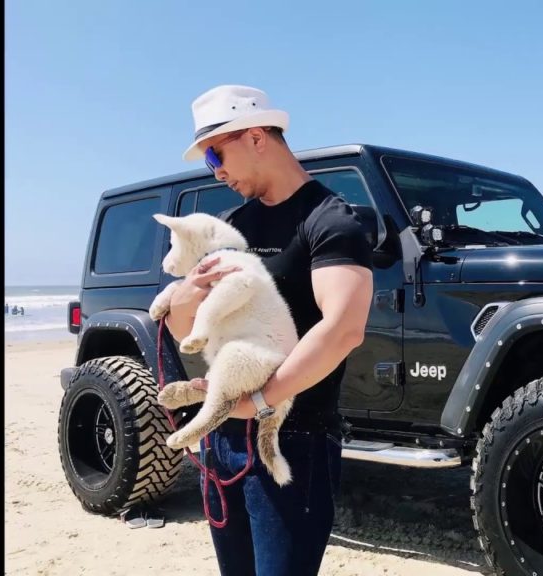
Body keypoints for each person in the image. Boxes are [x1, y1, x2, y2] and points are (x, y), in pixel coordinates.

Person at [163, 84, 374, 576]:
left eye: (215, 154)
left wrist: (259, 401)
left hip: (291, 438)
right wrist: (186, 295)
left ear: (256, 137)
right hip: (221, 440)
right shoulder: (231, 224)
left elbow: (343, 329)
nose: (216, 171)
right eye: (208, 160)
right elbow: (181, 328)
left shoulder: (330, 220)